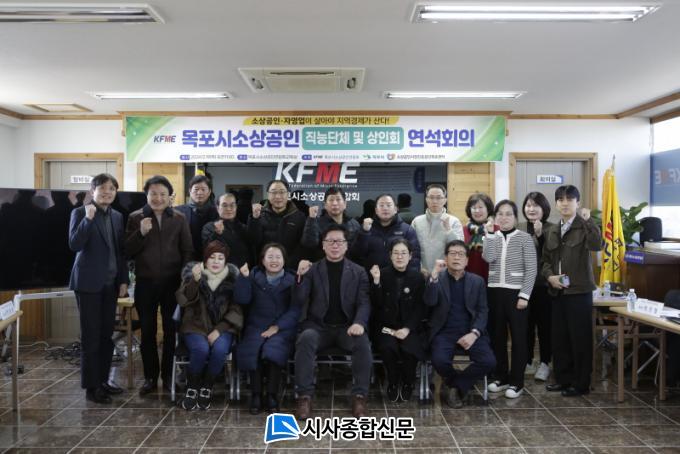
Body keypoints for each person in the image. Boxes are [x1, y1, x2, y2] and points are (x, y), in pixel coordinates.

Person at [125, 175, 194, 396]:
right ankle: (150, 378)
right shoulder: (135, 217)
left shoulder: (179, 218)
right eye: (153, 193)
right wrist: (141, 233)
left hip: (172, 284)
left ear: (170, 196)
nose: (158, 198)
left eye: (163, 194)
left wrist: (184, 279)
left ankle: (169, 377)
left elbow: (187, 250)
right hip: (145, 283)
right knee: (147, 332)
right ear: (146, 195)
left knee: (171, 331)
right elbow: (127, 250)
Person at [293, 225, 371, 419]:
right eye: (330, 241)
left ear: (346, 246)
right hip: (318, 327)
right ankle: (304, 397)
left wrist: (359, 323)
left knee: (362, 342)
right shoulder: (312, 270)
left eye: (339, 241)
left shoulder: (359, 272)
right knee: (305, 339)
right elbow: (299, 300)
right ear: (323, 245)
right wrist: (300, 276)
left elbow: (364, 302)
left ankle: (359, 396)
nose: (335, 245)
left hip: (347, 328)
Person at [68, 173, 129, 404]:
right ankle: (91, 387)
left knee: (106, 336)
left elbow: (120, 252)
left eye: (112, 189)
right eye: (102, 188)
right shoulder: (80, 213)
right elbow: (74, 244)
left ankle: (103, 381)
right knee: (91, 337)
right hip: (88, 284)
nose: (107, 192)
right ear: (92, 191)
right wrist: (88, 219)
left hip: (110, 285)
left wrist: (123, 280)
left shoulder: (117, 216)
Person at [542, 185, 601, 397]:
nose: (564, 203)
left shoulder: (584, 225)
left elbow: (597, 245)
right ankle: (563, 379)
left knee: (580, 339)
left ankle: (581, 383)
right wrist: (550, 277)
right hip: (557, 291)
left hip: (579, 292)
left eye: (569, 199)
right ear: (556, 203)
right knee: (560, 339)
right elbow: (545, 260)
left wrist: (588, 221)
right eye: (560, 200)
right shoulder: (552, 229)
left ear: (578, 202)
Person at [425, 240, 496, 408]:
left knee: (489, 361)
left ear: (467, 260)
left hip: (470, 331)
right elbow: (429, 302)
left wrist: (474, 333)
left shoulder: (477, 281)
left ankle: (456, 386)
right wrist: (433, 276)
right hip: (444, 331)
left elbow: (483, 310)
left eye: (461, 254)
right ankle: (459, 385)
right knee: (439, 360)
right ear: (446, 258)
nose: (456, 257)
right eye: (452, 254)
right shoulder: (437, 278)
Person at [176, 241, 243, 410]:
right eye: (212, 257)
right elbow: (184, 300)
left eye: (220, 258)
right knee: (201, 349)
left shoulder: (233, 280)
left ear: (225, 261)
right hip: (195, 326)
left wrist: (218, 330)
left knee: (220, 350)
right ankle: (192, 387)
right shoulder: (193, 274)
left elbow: (236, 310)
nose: (216, 261)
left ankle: (207, 386)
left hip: (224, 328)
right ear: (205, 259)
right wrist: (195, 281)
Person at [234, 243, 299, 414]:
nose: (274, 260)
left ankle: (272, 395)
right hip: (256, 325)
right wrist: (244, 278)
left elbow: (296, 309)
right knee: (253, 349)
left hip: (282, 328)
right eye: (270, 257)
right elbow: (242, 300)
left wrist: (278, 327)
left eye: (278, 257)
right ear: (263, 260)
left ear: (284, 260)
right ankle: (256, 395)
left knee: (273, 350)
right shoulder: (253, 276)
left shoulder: (293, 280)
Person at [482, 200, 537, 399]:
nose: (504, 218)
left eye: (508, 214)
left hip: (517, 295)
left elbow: (531, 269)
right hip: (494, 292)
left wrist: (524, 295)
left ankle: (517, 382)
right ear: (495, 217)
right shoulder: (491, 236)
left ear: (515, 217)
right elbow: (488, 258)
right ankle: (501, 377)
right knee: (497, 337)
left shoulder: (525, 238)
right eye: (500, 214)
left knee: (519, 340)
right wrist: (489, 235)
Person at [369, 239, 426, 402]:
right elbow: (376, 304)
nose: (399, 257)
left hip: (409, 327)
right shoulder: (382, 274)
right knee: (388, 347)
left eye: (403, 253)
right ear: (390, 255)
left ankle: (408, 382)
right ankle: (393, 382)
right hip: (386, 326)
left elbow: (420, 308)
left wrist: (407, 328)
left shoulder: (418, 277)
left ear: (410, 256)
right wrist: (376, 281)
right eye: (396, 253)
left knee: (409, 349)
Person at [518, 192, 555, 381]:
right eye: (528, 205)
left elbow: (551, 257)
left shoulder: (552, 228)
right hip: (523, 286)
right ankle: (528, 361)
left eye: (535, 206)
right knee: (525, 326)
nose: (531, 209)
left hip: (543, 286)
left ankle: (545, 363)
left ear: (544, 208)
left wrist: (540, 237)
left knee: (544, 327)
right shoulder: (520, 227)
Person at [350, 193, 421, 272]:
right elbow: (355, 255)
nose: (385, 208)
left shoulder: (407, 230)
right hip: (370, 277)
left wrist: (410, 277)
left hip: (399, 277)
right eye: (381, 205)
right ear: (376, 210)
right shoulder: (365, 229)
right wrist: (364, 233)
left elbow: (414, 257)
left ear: (395, 209)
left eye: (388, 205)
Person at [248, 179, 307, 268]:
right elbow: (253, 241)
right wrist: (255, 219)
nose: (278, 196)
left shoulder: (299, 216)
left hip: (291, 268)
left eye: (282, 192)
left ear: (288, 194)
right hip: (265, 267)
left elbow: (303, 246)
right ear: (268, 195)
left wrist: (292, 263)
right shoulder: (258, 215)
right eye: (274, 192)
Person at [411, 184, 464, 274]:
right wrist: (419, 268)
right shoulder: (417, 221)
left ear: (445, 200)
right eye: (431, 197)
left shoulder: (454, 221)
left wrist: (448, 229)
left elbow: (460, 248)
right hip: (422, 273)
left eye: (439, 198)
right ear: (426, 199)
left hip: (447, 273)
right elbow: (411, 249)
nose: (434, 201)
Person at [300, 186, 361, 261]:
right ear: (325, 205)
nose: (335, 203)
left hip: (348, 266)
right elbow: (309, 245)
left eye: (338, 199)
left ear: (345, 204)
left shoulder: (354, 224)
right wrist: (311, 219)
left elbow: (358, 251)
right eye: (331, 200)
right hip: (323, 265)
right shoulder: (316, 222)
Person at [202, 192, 253, 268]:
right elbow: (207, 250)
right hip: (220, 270)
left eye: (232, 205)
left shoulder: (243, 227)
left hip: (243, 270)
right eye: (224, 205)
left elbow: (250, 249)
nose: (229, 209)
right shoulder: (209, 227)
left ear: (236, 207)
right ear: (217, 208)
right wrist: (217, 234)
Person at [175, 175, 219, 259]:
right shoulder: (178, 211)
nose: (199, 193)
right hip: (185, 258)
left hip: (211, 258)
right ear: (190, 191)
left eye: (203, 189)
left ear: (209, 192)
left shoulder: (217, 212)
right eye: (196, 189)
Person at [462, 192, 495, 282]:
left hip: (492, 280)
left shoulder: (496, 230)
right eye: (474, 208)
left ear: (488, 209)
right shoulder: (463, 230)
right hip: (468, 279)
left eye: (480, 207)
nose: (477, 211)